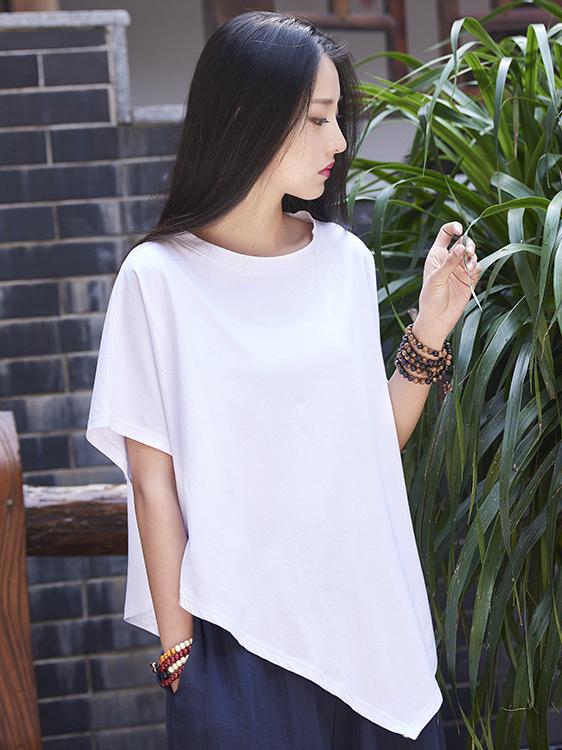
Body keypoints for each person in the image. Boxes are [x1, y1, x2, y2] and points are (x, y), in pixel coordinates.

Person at [86, 10, 481, 749]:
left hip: (368, 626)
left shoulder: (342, 261)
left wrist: (432, 326)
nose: (340, 142)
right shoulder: (157, 278)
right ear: (247, 115)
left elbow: (372, 443)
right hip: (239, 638)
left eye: (337, 119)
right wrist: (179, 652)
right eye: (320, 118)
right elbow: (152, 480)